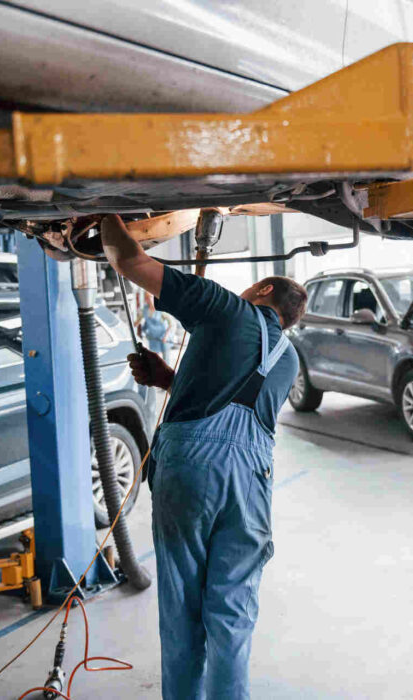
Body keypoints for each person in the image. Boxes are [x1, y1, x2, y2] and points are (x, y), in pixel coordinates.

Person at [99, 214, 308, 700]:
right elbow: (236, 403)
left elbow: (129, 260)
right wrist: (168, 378)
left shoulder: (225, 308)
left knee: (183, 610)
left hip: (193, 473)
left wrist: (103, 212)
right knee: (232, 613)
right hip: (252, 484)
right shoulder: (289, 359)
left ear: (262, 289)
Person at [136, 293, 173, 361]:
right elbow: (137, 322)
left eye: (149, 297)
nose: (148, 300)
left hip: (164, 337)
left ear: (153, 298)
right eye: (146, 298)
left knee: (166, 359)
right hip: (153, 338)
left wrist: (165, 336)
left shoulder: (160, 308)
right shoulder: (145, 310)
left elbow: (170, 324)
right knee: (155, 359)